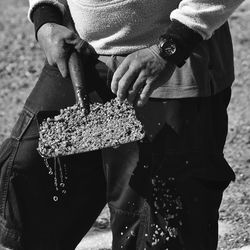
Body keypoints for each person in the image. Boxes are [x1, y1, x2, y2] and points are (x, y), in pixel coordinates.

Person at [0, 0, 245, 249]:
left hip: (171, 59)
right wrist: (46, 16)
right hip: (81, 54)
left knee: (155, 228)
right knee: (23, 196)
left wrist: (172, 45)